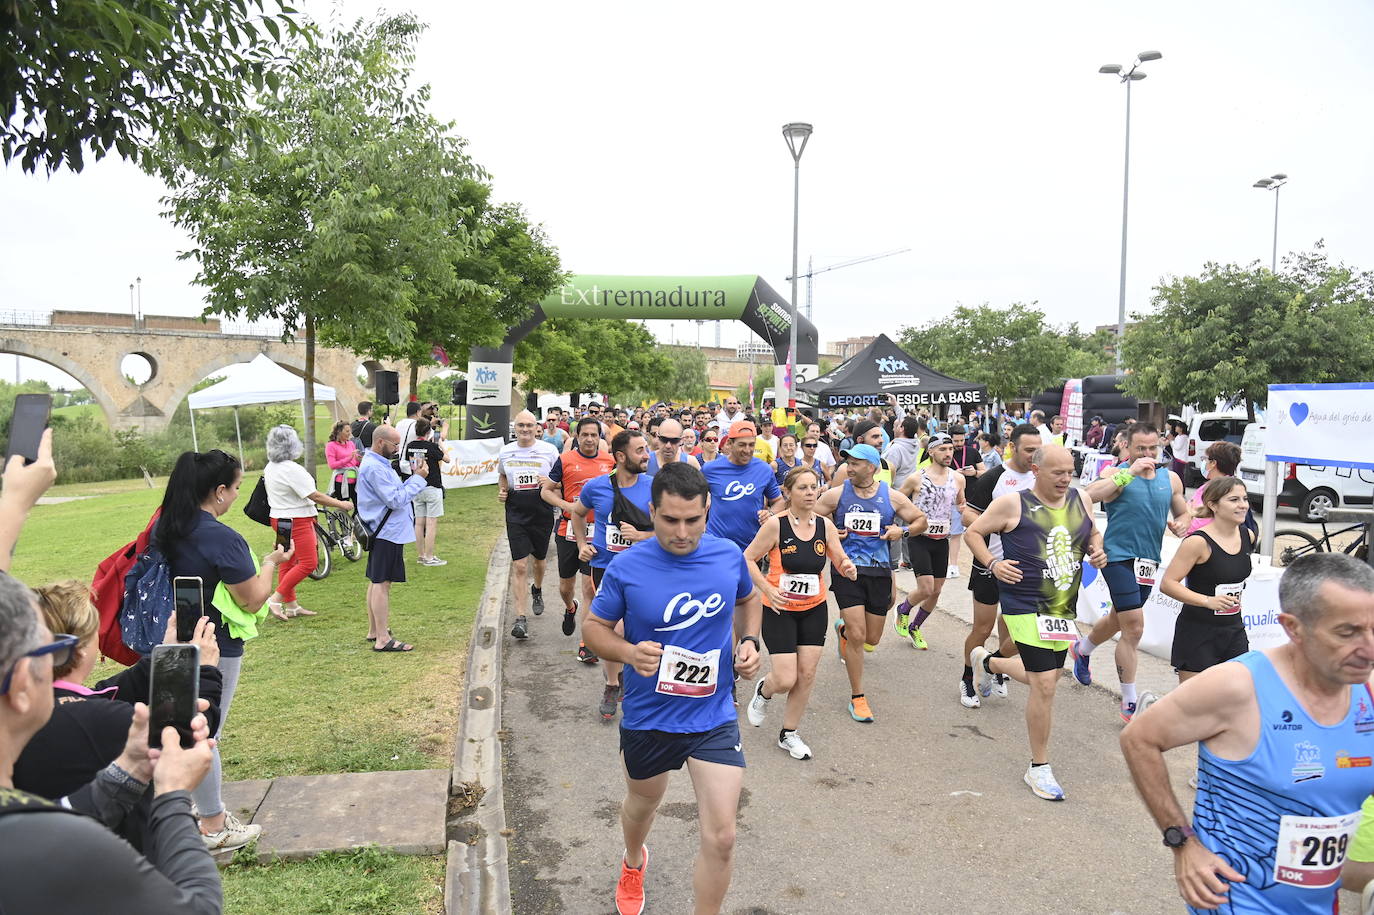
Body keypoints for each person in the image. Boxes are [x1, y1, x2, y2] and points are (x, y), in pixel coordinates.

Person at [1120, 553, 1374, 914]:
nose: (1368, 648)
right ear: (1293, 627)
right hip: (1237, 902)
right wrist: (1182, 843)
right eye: (1347, 632)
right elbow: (1139, 738)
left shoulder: (1368, 692)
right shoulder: (1239, 687)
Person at [581, 462, 762, 915]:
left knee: (722, 836)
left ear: (707, 511)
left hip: (713, 715)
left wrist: (750, 641)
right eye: (669, 520)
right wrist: (626, 652)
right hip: (650, 716)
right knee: (643, 804)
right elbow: (594, 628)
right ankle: (632, 859)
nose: (681, 532)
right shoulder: (627, 567)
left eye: (692, 520)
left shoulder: (726, 555)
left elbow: (748, 598)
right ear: (652, 511)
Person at [0, 571, 225, 913]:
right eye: (52, 652)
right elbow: (198, 908)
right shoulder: (62, 843)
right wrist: (173, 796)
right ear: (20, 685)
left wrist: (126, 774)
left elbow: (67, 809)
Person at [154, 448, 290, 849]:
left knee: (184, 727)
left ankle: (196, 812)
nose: (235, 497)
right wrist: (272, 562)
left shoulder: (169, 526)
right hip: (215, 645)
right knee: (205, 731)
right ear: (217, 492)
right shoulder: (221, 537)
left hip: (173, 637)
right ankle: (214, 826)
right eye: (235, 489)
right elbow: (252, 598)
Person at [966, 444, 1105, 800]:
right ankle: (1038, 767)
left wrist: (1096, 549)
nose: (1065, 478)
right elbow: (973, 533)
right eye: (1058, 472)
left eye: (1070, 471)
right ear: (1036, 469)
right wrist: (993, 565)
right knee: (1044, 684)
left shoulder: (1081, 499)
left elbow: (1091, 533)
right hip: (1024, 603)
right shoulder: (1013, 503)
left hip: (1061, 606)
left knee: (1049, 679)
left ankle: (990, 662)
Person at [1071, 422, 1191, 721]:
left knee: (1118, 618)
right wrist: (1130, 472)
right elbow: (1089, 494)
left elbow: (1183, 511)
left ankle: (1082, 649)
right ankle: (1129, 701)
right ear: (1128, 446)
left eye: (1153, 448)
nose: (1148, 454)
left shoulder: (1170, 478)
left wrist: (1182, 524)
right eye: (1141, 449)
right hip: (1117, 558)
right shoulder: (1118, 473)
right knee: (1134, 627)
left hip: (1148, 561)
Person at [743, 467, 856, 759]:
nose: (810, 493)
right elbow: (748, 559)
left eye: (813, 487)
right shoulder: (775, 526)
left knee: (806, 674)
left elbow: (838, 556)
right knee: (784, 679)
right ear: (787, 492)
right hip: (779, 609)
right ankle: (764, 692)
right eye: (803, 488)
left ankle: (788, 733)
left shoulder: (824, 525)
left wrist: (846, 566)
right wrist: (766, 590)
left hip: (813, 608)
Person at [814, 443, 926, 723]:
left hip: (878, 571)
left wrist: (901, 530)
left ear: (872, 467)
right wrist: (830, 530)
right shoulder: (838, 494)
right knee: (858, 633)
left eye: (855, 464)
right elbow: (812, 515)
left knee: (871, 639)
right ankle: (858, 697)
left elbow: (921, 521)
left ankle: (845, 632)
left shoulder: (892, 497)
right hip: (847, 569)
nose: (849, 468)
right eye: (848, 463)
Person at [573, 429, 656, 720]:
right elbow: (577, 512)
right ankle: (612, 684)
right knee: (613, 628)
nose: (647, 455)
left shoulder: (654, 487)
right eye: (640, 450)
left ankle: (634, 679)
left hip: (644, 568)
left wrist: (642, 536)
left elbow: (668, 528)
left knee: (639, 627)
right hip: (605, 568)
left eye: (646, 449)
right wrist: (582, 544)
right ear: (621, 457)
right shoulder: (596, 487)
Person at [961, 424, 1042, 708]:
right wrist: (996, 526)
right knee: (982, 628)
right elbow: (968, 516)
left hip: (1024, 569)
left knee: (1018, 633)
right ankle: (967, 676)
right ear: (1013, 447)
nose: (1035, 456)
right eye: (1029, 450)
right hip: (989, 562)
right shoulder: (994, 477)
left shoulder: (1040, 478)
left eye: (1038, 449)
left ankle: (994, 666)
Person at [1160, 477, 1253, 682]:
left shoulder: (1248, 536)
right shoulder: (1198, 542)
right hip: (1198, 632)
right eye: (1234, 499)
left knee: (1236, 698)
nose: (1242, 505)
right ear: (1213, 505)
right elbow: (1168, 583)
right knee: (1194, 706)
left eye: (1245, 499)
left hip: (1233, 630)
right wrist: (1207, 601)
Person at [541, 417, 615, 663]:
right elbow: (546, 490)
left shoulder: (610, 462)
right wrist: (567, 506)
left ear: (600, 438)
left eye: (595, 435)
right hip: (567, 531)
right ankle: (569, 608)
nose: (590, 439)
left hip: (597, 534)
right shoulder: (565, 460)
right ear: (576, 436)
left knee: (588, 588)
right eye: (585, 435)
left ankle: (587, 644)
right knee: (566, 587)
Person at [262, 425, 353, 621]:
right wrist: (342, 504)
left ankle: (291, 605)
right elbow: (314, 495)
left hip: (280, 518)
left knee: (287, 560)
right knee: (308, 562)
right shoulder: (292, 469)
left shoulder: (271, 466)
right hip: (297, 520)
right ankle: (276, 598)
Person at [357, 424, 430, 653]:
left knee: (376, 580)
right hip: (386, 531)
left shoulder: (378, 464)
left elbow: (395, 494)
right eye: (395, 444)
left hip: (386, 530)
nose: (398, 449)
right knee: (382, 583)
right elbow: (396, 500)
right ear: (380, 443)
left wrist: (412, 478)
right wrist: (418, 479)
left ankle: (375, 630)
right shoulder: (375, 468)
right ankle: (382, 637)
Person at [894, 432, 966, 653]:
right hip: (920, 539)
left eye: (951, 449)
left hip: (941, 540)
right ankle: (903, 610)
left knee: (936, 591)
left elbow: (961, 502)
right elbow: (897, 501)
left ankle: (916, 627)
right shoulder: (917, 478)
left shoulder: (958, 478)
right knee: (925, 589)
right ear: (931, 451)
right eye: (943, 449)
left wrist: (963, 510)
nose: (948, 453)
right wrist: (902, 526)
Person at [498, 410, 563, 641]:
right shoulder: (506, 451)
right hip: (516, 512)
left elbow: (559, 480)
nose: (525, 429)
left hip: (542, 510)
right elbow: (503, 476)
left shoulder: (549, 450)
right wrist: (502, 490)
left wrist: (551, 484)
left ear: (538, 427)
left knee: (539, 560)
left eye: (529, 425)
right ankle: (520, 619)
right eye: (521, 425)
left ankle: (537, 589)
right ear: (514, 427)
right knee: (520, 566)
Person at [702, 421, 784, 552]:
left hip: (751, 548)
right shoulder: (710, 469)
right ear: (729, 443)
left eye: (751, 445)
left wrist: (770, 513)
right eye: (742, 445)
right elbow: (695, 500)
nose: (747, 450)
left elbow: (779, 501)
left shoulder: (764, 469)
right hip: (716, 544)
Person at [1186, 440, 1259, 538]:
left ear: (1213, 463)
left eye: (1205, 459)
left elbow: (1199, 523)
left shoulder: (1219, 489)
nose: (1204, 462)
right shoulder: (1234, 485)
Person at [407, 418, 448, 566]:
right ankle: (430, 557)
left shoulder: (410, 446)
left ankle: (421, 555)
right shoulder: (431, 447)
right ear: (428, 431)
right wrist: (441, 445)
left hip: (417, 486)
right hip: (432, 486)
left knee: (419, 523)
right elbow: (447, 459)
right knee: (431, 523)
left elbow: (412, 465)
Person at [325, 421, 360, 501]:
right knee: (344, 508)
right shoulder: (331, 445)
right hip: (341, 482)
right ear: (339, 432)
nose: (349, 433)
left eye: (350, 431)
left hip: (355, 481)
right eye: (347, 431)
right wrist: (349, 458)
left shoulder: (351, 443)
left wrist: (359, 460)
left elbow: (354, 462)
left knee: (360, 507)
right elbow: (332, 465)